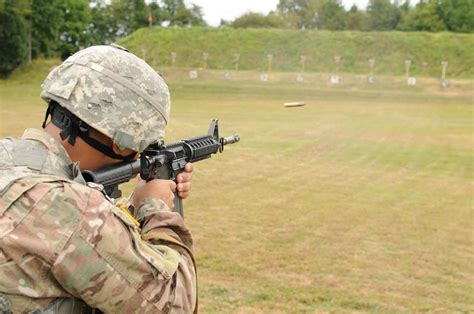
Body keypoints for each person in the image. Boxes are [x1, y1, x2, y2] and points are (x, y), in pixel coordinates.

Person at [0, 45, 197, 313]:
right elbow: (175, 303)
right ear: (123, 141)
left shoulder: (10, 162)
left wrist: (127, 208)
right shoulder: (73, 209)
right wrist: (155, 207)